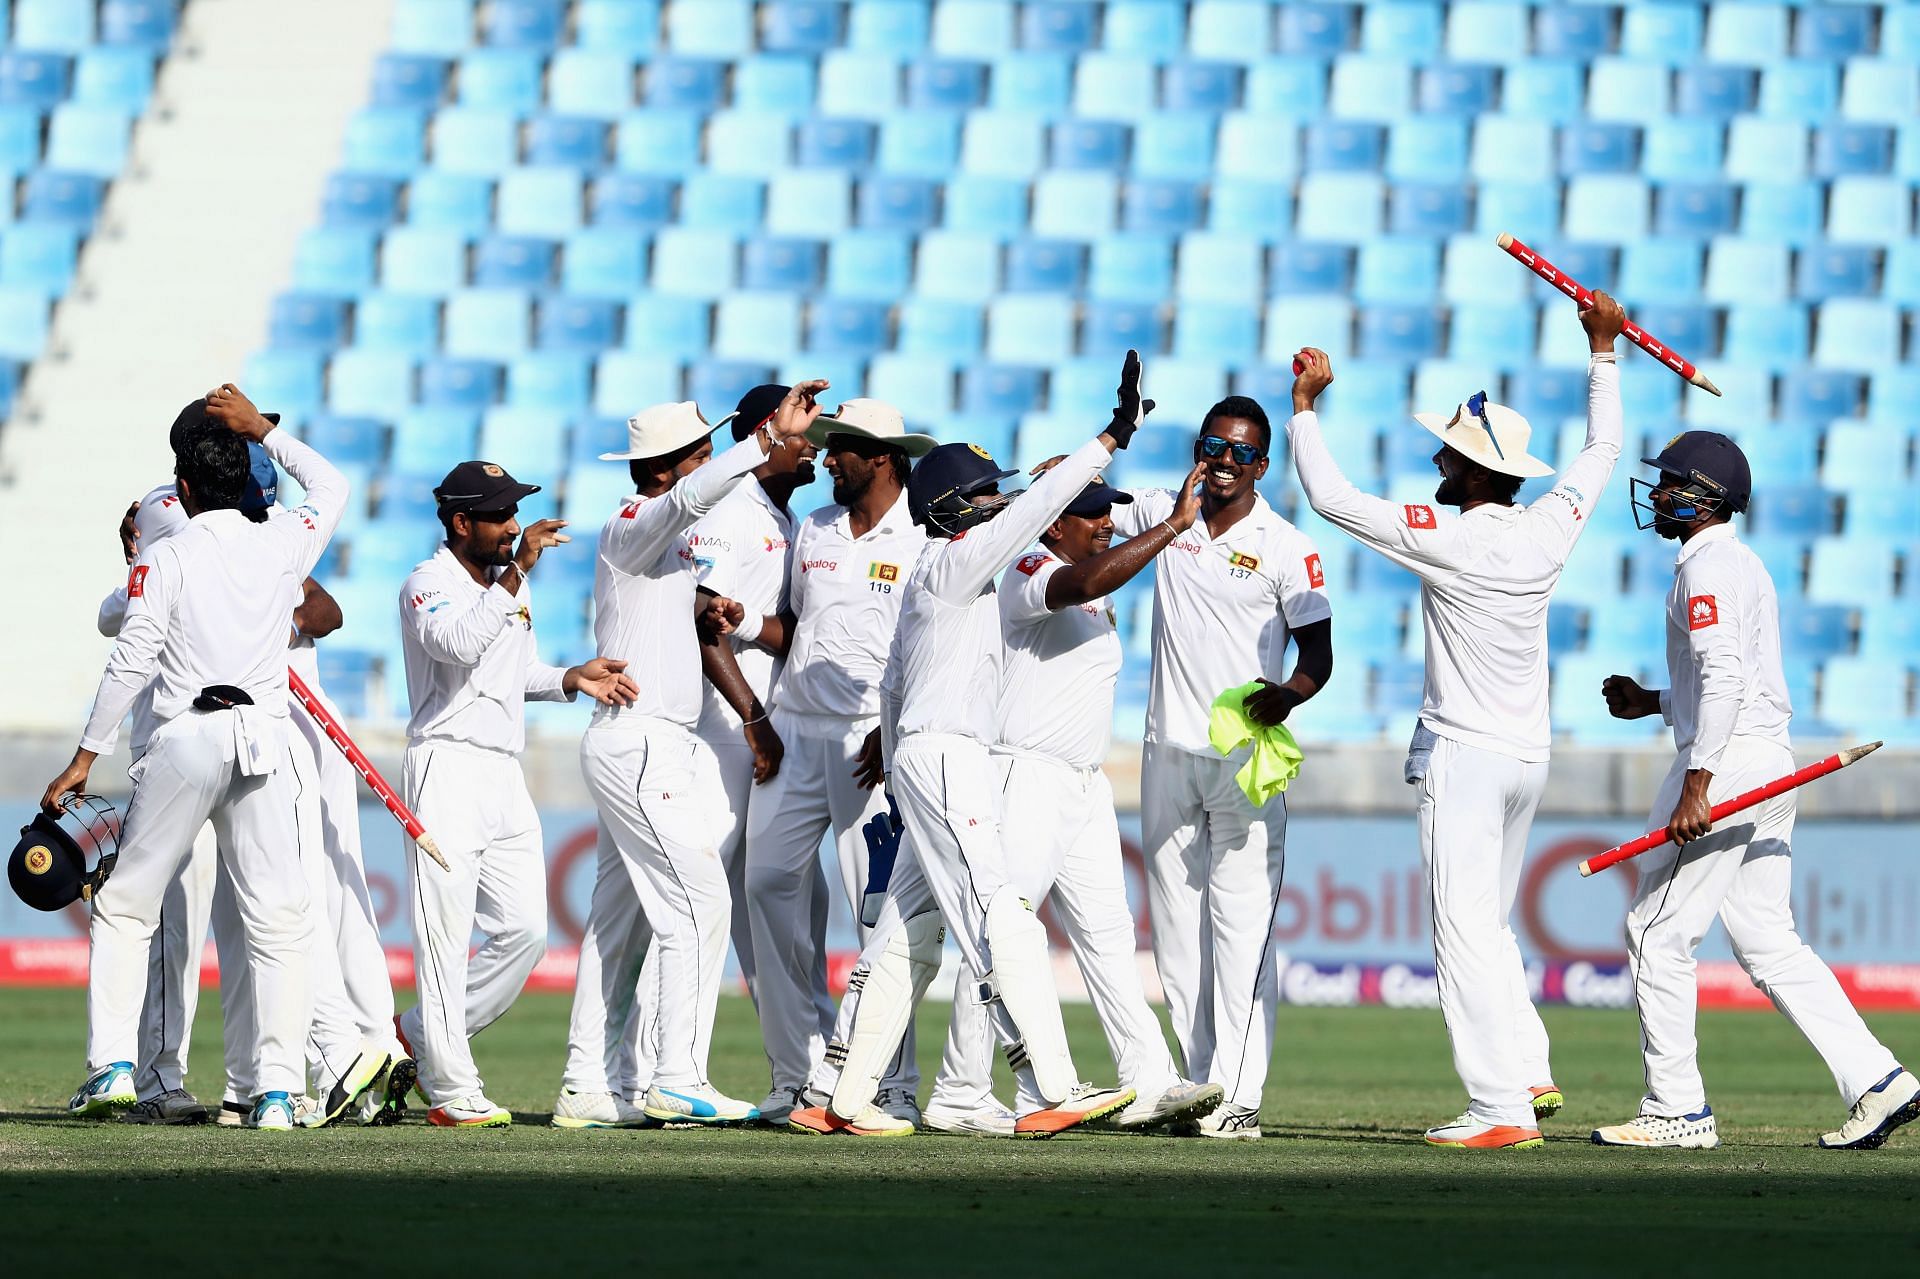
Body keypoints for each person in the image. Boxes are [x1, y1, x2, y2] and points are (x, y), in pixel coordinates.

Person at [1286, 294, 1628, 1150]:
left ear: (1477, 473)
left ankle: (1499, 1107)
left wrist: (1303, 410)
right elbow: (1604, 449)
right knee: (1491, 920)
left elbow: (1330, 497)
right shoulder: (1550, 525)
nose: (1438, 455)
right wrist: (1603, 351)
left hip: (1468, 757)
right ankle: (1530, 1069)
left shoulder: (1446, 532)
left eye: (1450, 449)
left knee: (1460, 928)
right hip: (1527, 758)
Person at [788, 353, 1151, 1139]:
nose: (1003, 503)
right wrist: (1107, 440)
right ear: (957, 508)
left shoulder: (943, 565)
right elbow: (1030, 515)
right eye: (989, 495)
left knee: (908, 931)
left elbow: (891, 673)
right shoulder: (956, 562)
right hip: (949, 756)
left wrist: (892, 739)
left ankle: (841, 1099)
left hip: (931, 752)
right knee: (1001, 911)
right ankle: (1050, 1087)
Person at [1592, 431, 1918, 1151]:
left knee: (1655, 930)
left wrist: (1698, 782)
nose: (1659, 492)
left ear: (1706, 497)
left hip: (1731, 762)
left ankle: (1676, 1108)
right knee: (1769, 941)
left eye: (1672, 481)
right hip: (1767, 755)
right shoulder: (1739, 563)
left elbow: (1726, 680)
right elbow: (1726, 682)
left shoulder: (1705, 570)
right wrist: (1654, 700)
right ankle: (1878, 1078)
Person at [48, 384, 344, 1131]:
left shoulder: (168, 551)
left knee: (125, 905)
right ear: (247, 481)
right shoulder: (283, 538)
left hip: (184, 735)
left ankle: (114, 1066)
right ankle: (275, 1091)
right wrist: (264, 432)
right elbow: (332, 484)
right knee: (278, 916)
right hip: (262, 738)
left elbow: (132, 652)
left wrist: (87, 755)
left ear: (183, 487)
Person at [551, 384, 818, 1128]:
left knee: (621, 919)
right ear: (671, 467)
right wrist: (763, 443)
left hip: (649, 741)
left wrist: (721, 612)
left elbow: (689, 609)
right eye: (701, 456)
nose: (712, 468)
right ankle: (676, 1073)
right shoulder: (632, 520)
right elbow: (685, 503)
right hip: (641, 741)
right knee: (702, 899)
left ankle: (587, 1083)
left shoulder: (667, 543)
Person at [736, 399, 997, 1133]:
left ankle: (893, 1086)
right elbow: (796, 624)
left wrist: (891, 724)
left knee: (877, 914)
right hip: (795, 731)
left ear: (881, 456)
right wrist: (747, 623)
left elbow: (925, 645)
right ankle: (800, 1076)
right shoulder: (814, 527)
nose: (824, 456)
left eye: (840, 447)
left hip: (867, 743)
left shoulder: (923, 531)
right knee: (765, 887)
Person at [1102, 395, 1334, 1140]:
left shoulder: (1286, 545)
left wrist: (1289, 694)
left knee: (1240, 931)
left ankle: (1239, 1096)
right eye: (1213, 446)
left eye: (1240, 453)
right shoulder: (1166, 513)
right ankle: (1198, 1085)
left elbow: (1319, 654)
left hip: (1243, 759)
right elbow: (1083, 505)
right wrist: (1093, 447)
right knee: (1174, 934)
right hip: (1166, 749)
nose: (1224, 462)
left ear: (1263, 466)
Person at [396, 460, 638, 1129]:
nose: (512, 527)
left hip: (504, 770)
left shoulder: (507, 587)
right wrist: (516, 573)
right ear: (460, 522)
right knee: (442, 938)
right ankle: (450, 1086)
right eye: (499, 516)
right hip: (444, 766)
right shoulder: (428, 583)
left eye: (514, 514)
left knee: (526, 932)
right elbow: (456, 644)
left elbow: (510, 670)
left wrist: (570, 677)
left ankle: (412, 1036)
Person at [994, 469, 1227, 1132]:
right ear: (1050, 521)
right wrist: (1174, 526)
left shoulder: (1087, 569)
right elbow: (1085, 583)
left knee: (1108, 935)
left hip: (1082, 780)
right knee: (1005, 933)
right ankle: (970, 1087)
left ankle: (1149, 1081)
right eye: (1090, 513)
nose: (1104, 523)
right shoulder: (1028, 563)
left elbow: (1094, 583)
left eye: (1106, 511)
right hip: (1027, 773)